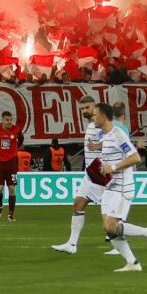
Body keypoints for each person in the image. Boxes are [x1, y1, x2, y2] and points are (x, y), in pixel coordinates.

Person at [92, 101, 147, 272]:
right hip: (111, 185)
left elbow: (136, 157)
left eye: (95, 114)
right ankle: (132, 263)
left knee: (111, 226)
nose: (92, 117)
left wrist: (113, 168)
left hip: (122, 186)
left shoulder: (118, 134)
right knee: (108, 229)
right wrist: (103, 169)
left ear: (103, 116)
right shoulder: (104, 136)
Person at [52, 95, 105, 254]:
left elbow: (111, 141)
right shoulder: (91, 125)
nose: (85, 111)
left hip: (101, 173)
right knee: (78, 205)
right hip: (90, 173)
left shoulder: (100, 124)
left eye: (87, 107)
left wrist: (98, 147)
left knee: (110, 214)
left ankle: (143, 234)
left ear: (94, 106)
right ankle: (72, 244)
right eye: (82, 108)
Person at [0, 111, 22, 222]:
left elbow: (21, 139)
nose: (9, 122)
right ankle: (0, 205)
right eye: (7, 120)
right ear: (2, 120)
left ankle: (11, 215)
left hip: (12, 163)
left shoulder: (16, 129)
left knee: (12, 189)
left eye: (10, 119)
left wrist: (16, 148)